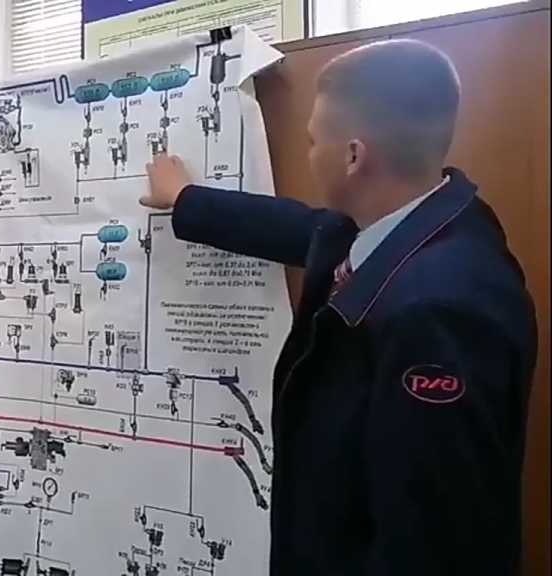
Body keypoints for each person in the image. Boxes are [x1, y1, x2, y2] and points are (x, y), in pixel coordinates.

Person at [141, 39, 537, 576]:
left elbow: (432, 545)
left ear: (353, 156)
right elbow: (306, 230)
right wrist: (187, 200)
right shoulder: (424, 223)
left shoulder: (439, 315)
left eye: (312, 141)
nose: (309, 155)